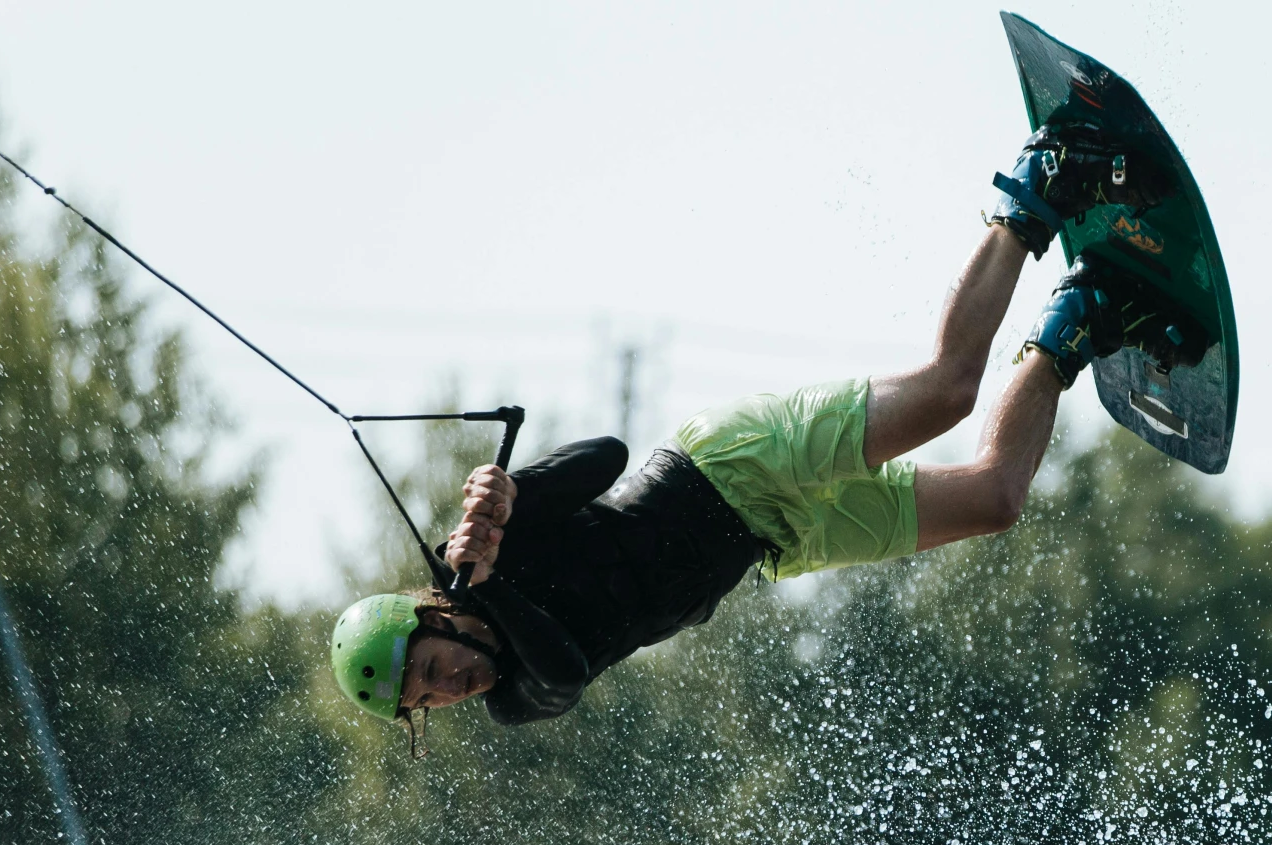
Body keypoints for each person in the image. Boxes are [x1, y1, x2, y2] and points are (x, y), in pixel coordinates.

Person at [328, 130, 1180, 731]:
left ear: (428, 617)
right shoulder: (518, 690)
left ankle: (1040, 188)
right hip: (776, 537)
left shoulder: (484, 547)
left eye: (434, 669)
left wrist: (516, 494)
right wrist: (495, 579)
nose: (454, 687)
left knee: (947, 394)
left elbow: (611, 458)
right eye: (431, 701)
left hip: (724, 466)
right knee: (995, 498)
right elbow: (563, 667)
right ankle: (1080, 321)